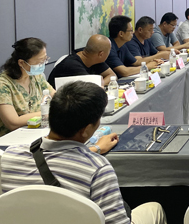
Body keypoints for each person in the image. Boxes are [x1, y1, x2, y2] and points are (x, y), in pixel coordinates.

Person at [0, 81, 167, 224]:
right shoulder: (97, 169)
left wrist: (97, 148)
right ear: (86, 130)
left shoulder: (10, 155)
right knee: (155, 208)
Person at [0, 38, 55, 137]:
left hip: (37, 133)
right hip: (12, 139)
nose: (43, 64)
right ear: (21, 63)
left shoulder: (36, 76)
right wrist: (48, 112)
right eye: (40, 61)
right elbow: (13, 122)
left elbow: (56, 97)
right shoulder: (3, 85)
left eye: (45, 59)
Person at [48, 35, 117, 88]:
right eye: (109, 51)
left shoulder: (94, 57)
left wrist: (100, 84)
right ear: (101, 54)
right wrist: (99, 85)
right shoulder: (72, 65)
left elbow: (112, 76)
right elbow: (91, 88)